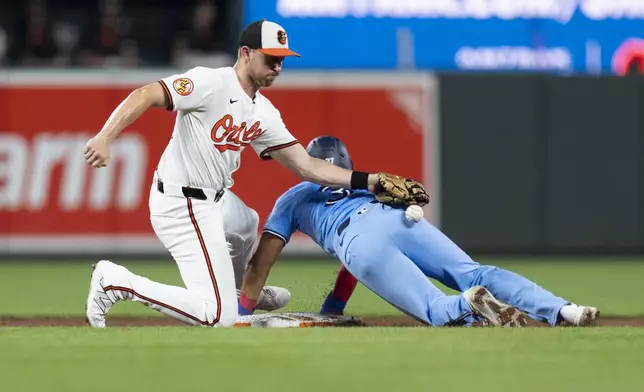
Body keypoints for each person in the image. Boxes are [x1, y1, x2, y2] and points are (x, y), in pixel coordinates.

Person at [83, 20, 401, 328]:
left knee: (246, 221)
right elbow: (146, 94)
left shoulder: (263, 111)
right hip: (182, 204)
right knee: (218, 318)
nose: (277, 67)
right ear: (246, 53)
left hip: (216, 201)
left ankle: (235, 291)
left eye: (282, 61)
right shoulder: (210, 82)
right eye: (270, 58)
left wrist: (370, 180)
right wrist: (105, 137)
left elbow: (307, 166)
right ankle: (116, 282)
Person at [238, 136, 600, 327]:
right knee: (474, 271)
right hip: (398, 218)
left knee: (435, 308)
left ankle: (466, 302)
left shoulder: (293, 198)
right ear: (346, 165)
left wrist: (242, 311)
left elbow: (260, 266)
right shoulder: (365, 182)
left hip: (359, 241)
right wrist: (334, 305)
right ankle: (564, 310)